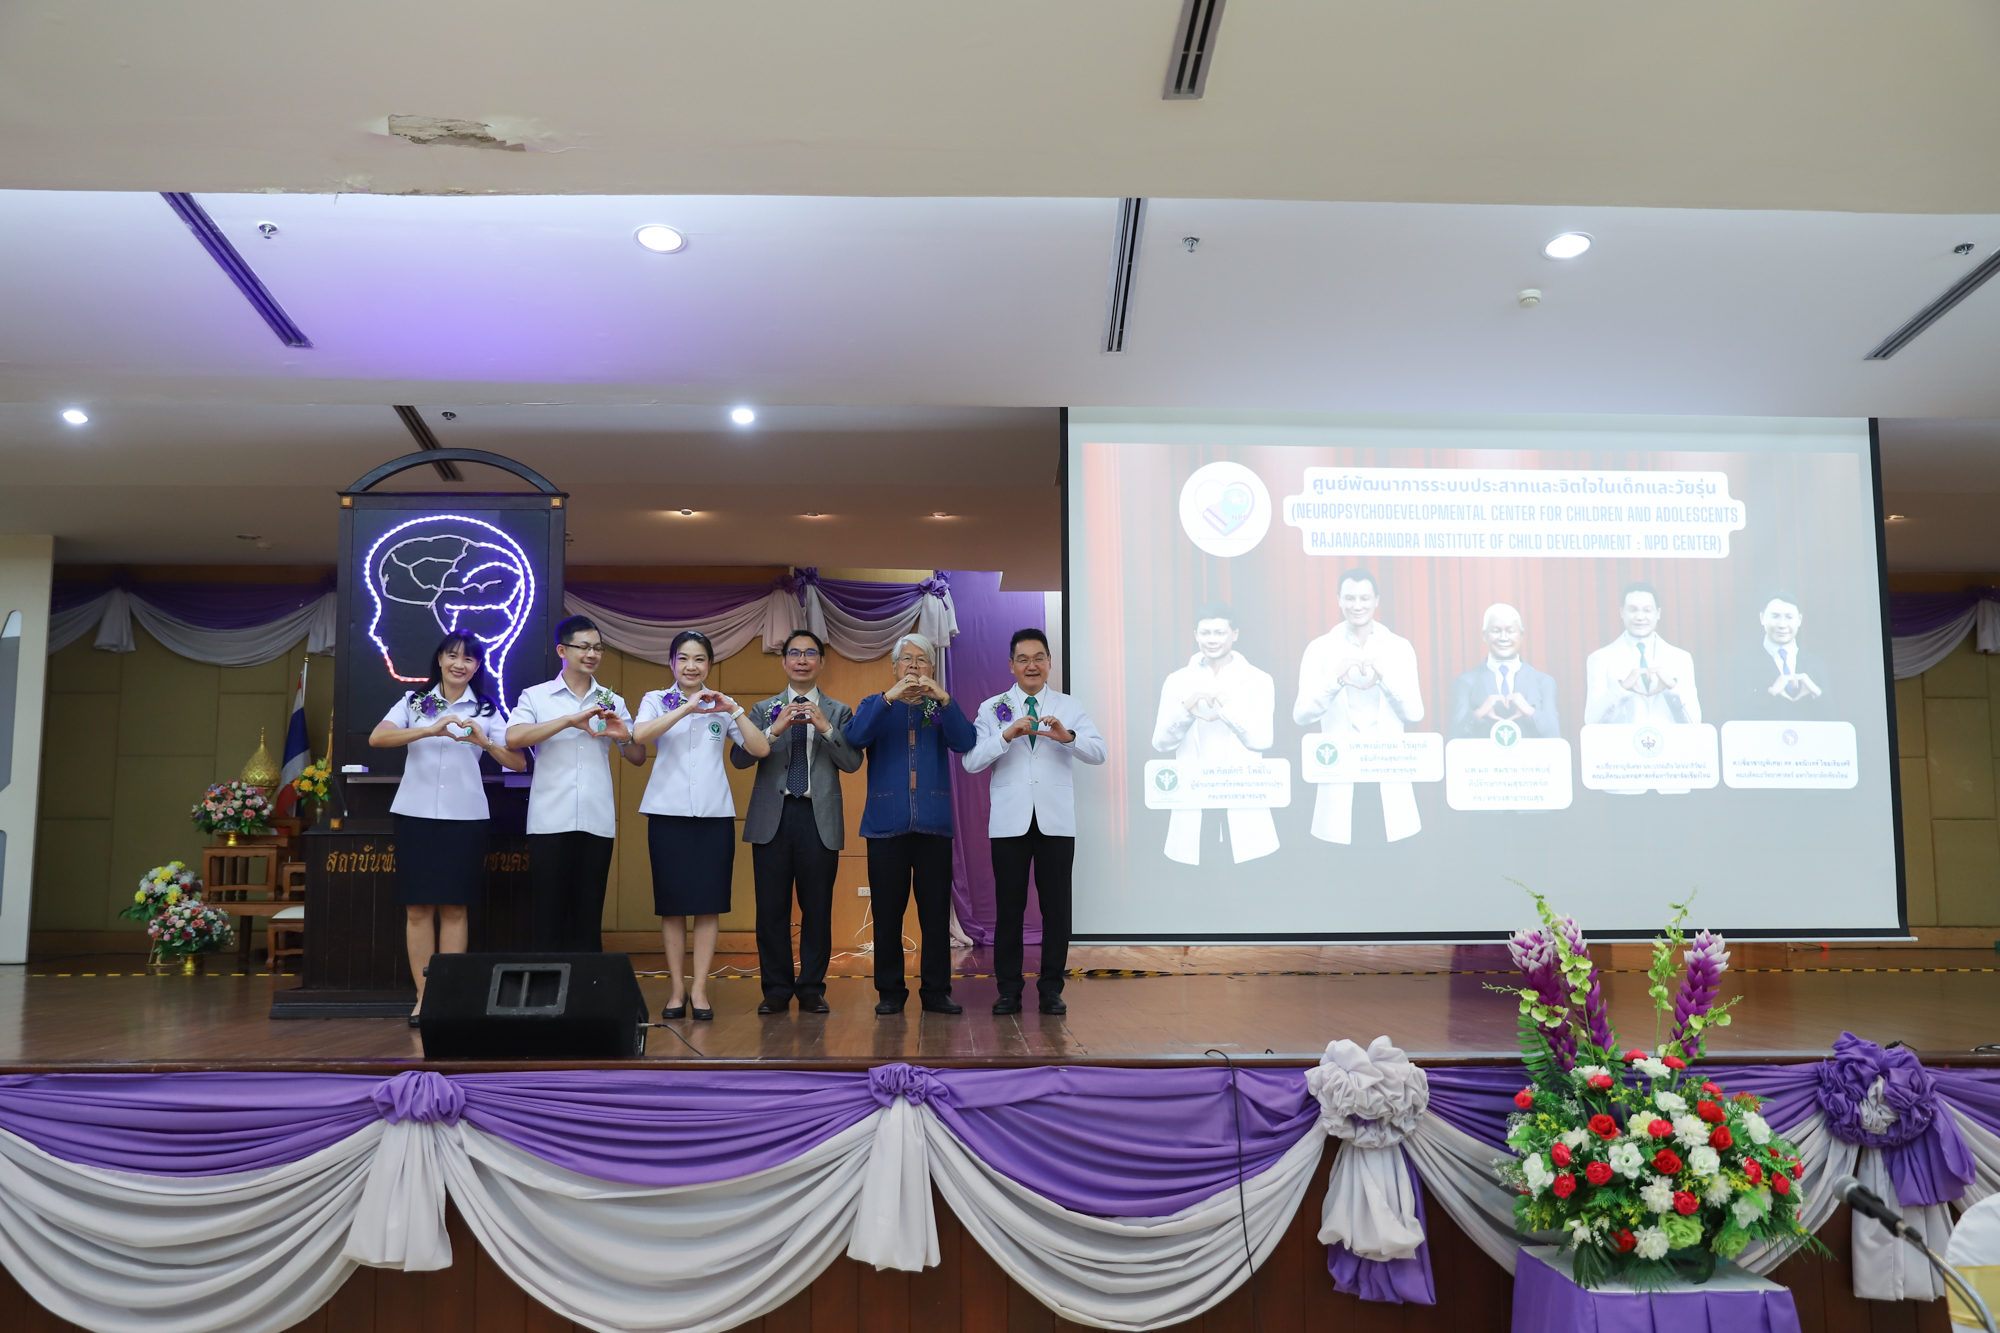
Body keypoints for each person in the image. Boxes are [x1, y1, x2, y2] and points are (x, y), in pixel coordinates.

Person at [370, 632, 526, 1025]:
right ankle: (424, 997)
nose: (460, 664)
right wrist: (430, 729)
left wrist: (485, 742)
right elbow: (378, 737)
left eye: (469, 659)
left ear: (477, 667)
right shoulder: (414, 702)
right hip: (415, 813)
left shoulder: (487, 708)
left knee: (455, 907)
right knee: (418, 908)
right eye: (453, 656)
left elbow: (518, 762)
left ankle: (448, 996)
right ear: (439, 659)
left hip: (465, 816)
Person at [962, 628, 1107, 1016]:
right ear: (1011, 665)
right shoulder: (992, 707)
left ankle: (1051, 990)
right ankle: (1008, 990)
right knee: (1009, 910)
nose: (1032, 665)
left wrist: (1067, 737)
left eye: (1038, 658)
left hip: (1055, 824)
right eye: (1023, 659)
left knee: (1056, 910)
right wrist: (1005, 735)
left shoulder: (1069, 706)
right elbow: (971, 761)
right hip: (1009, 824)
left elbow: (1098, 752)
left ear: (1049, 663)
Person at [630, 630, 768, 1022]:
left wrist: (734, 710)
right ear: (672, 662)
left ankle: (700, 989)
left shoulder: (721, 705)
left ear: (709, 664)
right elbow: (640, 735)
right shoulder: (655, 699)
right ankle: (676, 990)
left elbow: (760, 749)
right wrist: (687, 709)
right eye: (684, 658)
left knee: (709, 906)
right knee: (672, 906)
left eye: (700, 659)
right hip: (667, 814)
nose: (691, 666)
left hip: (714, 815)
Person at [731, 629, 861, 1015]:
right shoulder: (762, 710)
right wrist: (773, 730)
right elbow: (739, 759)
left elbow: (852, 763)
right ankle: (775, 989)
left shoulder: (839, 711)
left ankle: (811, 989)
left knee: (816, 908)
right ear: (784, 661)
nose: (802, 660)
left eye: (810, 653)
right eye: (794, 653)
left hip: (818, 818)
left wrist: (825, 728)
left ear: (821, 662)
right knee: (771, 909)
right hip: (772, 817)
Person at [846, 632, 976, 1015]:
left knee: (934, 917)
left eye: (922, 659)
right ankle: (890, 993)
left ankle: (936, 992)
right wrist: (889, 698)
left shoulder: (939, 708)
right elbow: (855, 737)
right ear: (894, 667)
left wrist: (945, 700)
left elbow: (965, 741)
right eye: (907, 659)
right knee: (887, 915)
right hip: (885, 826)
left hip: (933, 825)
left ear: (932, 668)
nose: (914, 665)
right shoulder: (875, 704)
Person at [506, 616, 643, 952]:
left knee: (588, 917)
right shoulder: (537, 696)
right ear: (562, 650)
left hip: (597, 820)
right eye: (584, 647)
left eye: (597, 648)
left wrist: (624, 737)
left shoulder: (612, 700)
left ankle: (587, 985)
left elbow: (637, 757)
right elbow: (513, 738)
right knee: (548, 916)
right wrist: (569, 720)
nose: (592, 654)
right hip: (549, 820)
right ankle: (547, 984)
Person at [1292, 568, 1425, 843]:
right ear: (1338, 600)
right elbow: (1301, 716)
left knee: (1393, 858)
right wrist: (1334, 680)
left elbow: (1415, 714)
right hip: (1339, 771)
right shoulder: (1319, 648)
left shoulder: (1399, 647)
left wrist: (1385, 677)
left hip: (1387, 769)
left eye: (1364, 598)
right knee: (1343, 861)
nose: (1357, 605)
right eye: (1350, 598)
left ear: (1376, 600)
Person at [1150, 601, 1278, 864]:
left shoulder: (1259, 680)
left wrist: (1228, 709)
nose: (1212, 639)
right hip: (1194, 794)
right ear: (1195, 635)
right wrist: (1186, 710)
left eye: (1220, 632)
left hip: (1240, 795)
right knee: (1195, 877)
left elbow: (1263, 740)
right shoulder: (1177, 681)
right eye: (1205, 633)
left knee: (1248, 874)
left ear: (1235, 634)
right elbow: (1160, 743)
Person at [1582, 582, 1701, 795]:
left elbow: (1694, 723)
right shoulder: (1600, 658)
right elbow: (1592, 722)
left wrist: (1672, 688)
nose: (1640, 617)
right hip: (1624, 778)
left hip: (1671, 776)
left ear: (1658, 613)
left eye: (1647, 610)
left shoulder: (1681, 658)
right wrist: (1622, 688)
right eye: (1632, 610)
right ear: (1621, 612)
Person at [1448, 603, 1562, 740]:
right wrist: (1479, 713)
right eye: (1496, 631)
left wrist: (1530, 711)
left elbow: (1555, 737)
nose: (1503, 637)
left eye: (1510, 631)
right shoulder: (1465, 682)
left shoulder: (1543, 682)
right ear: (1484, 635)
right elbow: (1454, 740)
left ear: (1521, 635)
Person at [1733, 591, 1831, 719]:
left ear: (1799, 620)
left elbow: (1834, 721)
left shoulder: (1817, 664)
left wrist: (1817, 692)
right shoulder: (1744, 664)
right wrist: (1772, 692)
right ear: (1762, 618)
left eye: (1789, 617)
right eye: (1775, 616)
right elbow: (1738, 718)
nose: (1782, 625)